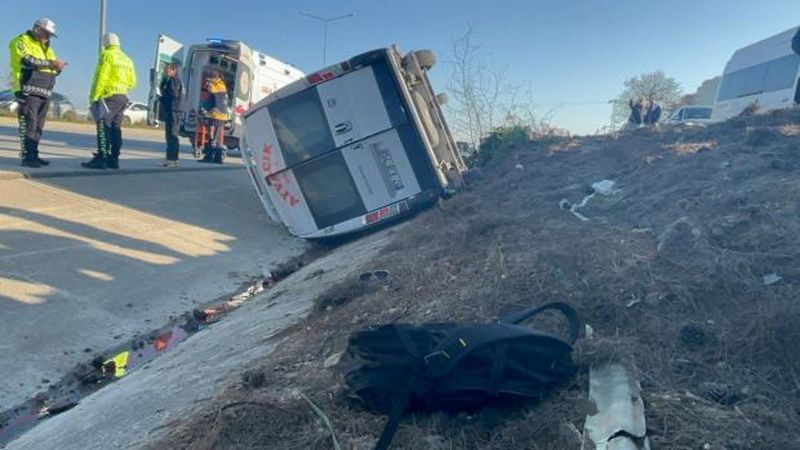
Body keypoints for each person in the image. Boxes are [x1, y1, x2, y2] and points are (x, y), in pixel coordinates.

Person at [8, 18, 67, 168]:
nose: (48, 37)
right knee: (30, 124)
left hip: (45, 91)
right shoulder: (20, 41)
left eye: (50, 35)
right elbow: (26, 61)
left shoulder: (48, 49)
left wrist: (58, 68)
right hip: (27, 88)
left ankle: (34, 154)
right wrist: (51, 64)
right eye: (46, 33)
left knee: (38, 126)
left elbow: (51, 68)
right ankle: (27, 157)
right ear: (37, 28)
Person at [82, 33, 136, 170]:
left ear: (105, 43)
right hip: (123, 97)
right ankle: (114, 159)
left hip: (109, 96)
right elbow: (133, 82)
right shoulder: (127, 59)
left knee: (103, 126)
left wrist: (93, 96)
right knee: (116, 129)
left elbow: (101, 77)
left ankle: (101, 158)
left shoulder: (107, 55)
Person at [199, 71, 229, 164]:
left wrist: (209, 83)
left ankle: (210, 156)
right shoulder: (220, 84)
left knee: (213, 135)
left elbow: (211, 90)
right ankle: (217, 157)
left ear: (215, 78)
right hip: (217, 114)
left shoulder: (219, 85)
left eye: (211, 78)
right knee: (215, 135)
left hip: (217, 115)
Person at [158, 63, 183, 167]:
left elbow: (173, 94)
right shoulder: (174, 80)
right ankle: (173, 158)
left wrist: (162, 98)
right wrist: (164, 81)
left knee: (171, 135)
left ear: (173, 70)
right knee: (172, 134)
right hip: (175, 110)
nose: (165, 72)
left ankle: (171, 158)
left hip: (173, 110)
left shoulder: (174, 80)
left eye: (167, 70)